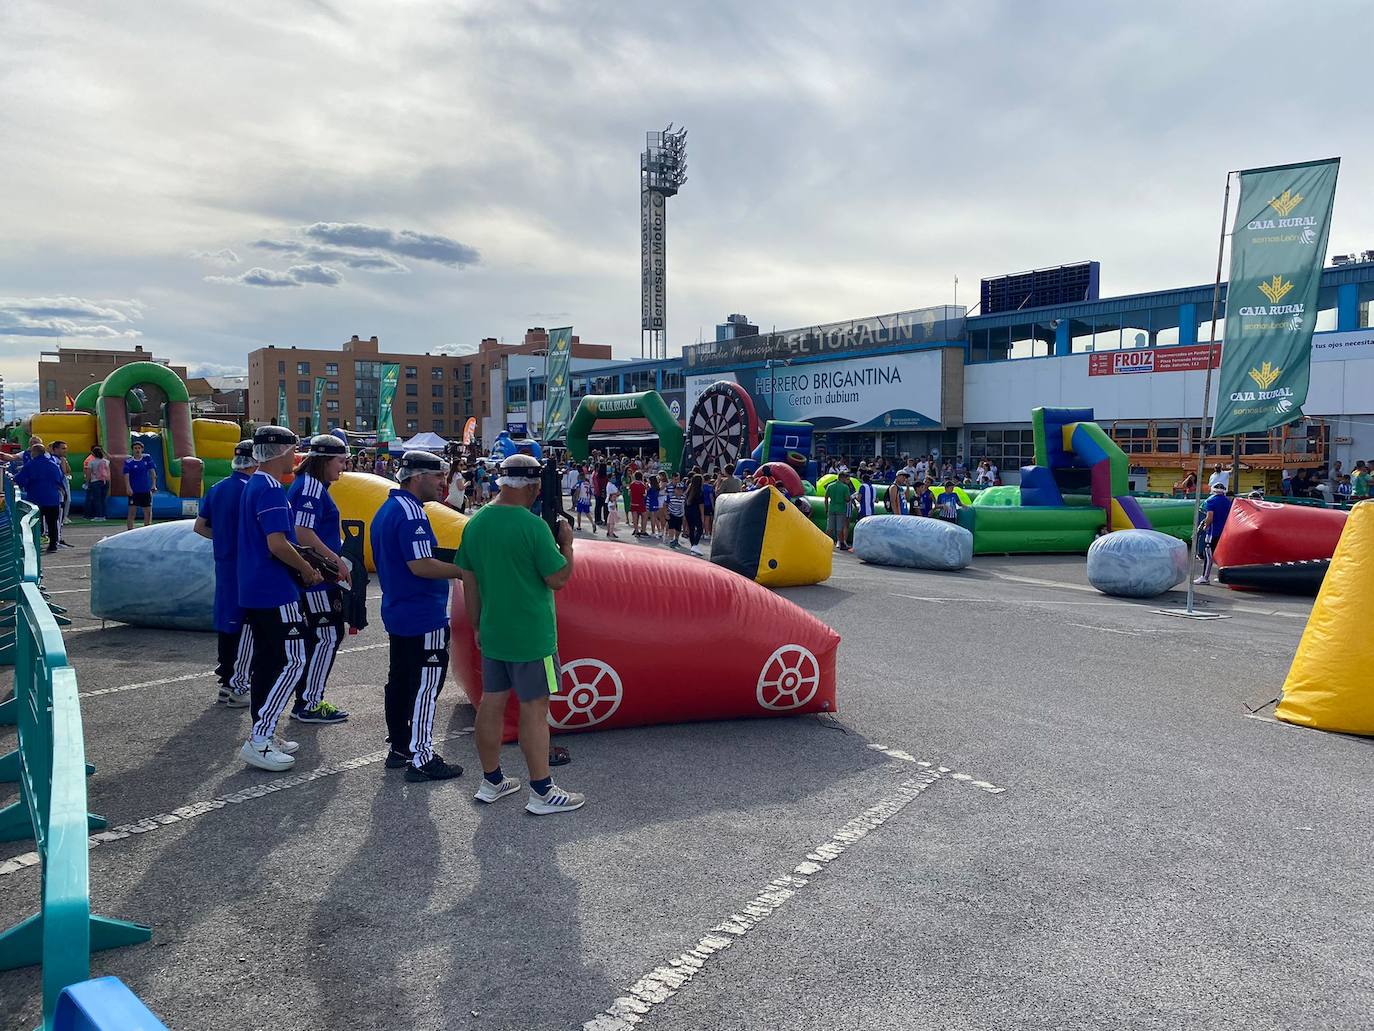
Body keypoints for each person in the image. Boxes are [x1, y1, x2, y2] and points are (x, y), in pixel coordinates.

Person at [457, 453, 584, 815]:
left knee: (491, 703)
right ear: (531, 486)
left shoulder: (476, 522)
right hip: (532, 635)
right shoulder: (532, 527)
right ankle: (542, 790)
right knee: (534, 709)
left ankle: (491, 780)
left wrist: (478, 624)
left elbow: (469, 578)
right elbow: (557, 578)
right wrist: (567, 545)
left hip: (495, 631)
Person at [371, 450, 466, 781]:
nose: (443, 482)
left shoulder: (388, 508)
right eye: (438, 476)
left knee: (400, 681)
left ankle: (399, 748)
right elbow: (421, 565)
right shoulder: (411, 514)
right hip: (423, 614)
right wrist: (464, 571)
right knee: (427, 685)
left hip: (399, 610)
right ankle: (422, 756)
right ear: (417, 477)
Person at [235, 426, 324, 772]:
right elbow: (276, 543)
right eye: (293, 449)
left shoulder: (255, 483)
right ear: (282, 452)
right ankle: (260, 737)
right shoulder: (271, 488)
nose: (296, 456)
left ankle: (265, 730)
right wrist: (307, 568)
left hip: (257, 586)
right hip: (275, 588)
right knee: (293, 660)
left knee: (268, 662)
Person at [287, 435, 352, 725]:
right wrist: (335, 561)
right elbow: (303, 532)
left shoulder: (312, 485)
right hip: (318, 578)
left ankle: (308, 698)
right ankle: (309, 701)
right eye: (340, 461)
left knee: (321, 635)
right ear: (325, 460)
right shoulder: (312, 487)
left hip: (316, 574)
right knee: (326, 635)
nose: (344, 466)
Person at [194, 439, 257, 707]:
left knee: (227, 622)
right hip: (247, 566)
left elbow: (200, 527)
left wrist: (223, 540)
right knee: (248, 625)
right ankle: (236, 683)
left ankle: (225, 682)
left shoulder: (218, 488)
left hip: (224, 563)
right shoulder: (254, 490)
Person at [14, 442, 65, 552]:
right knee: (52, 523)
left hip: (35, 498)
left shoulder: (30, 465)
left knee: (33, 523)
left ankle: (33, 545)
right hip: (52, 498)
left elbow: (20, 480)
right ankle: (53, 545)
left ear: (35, 453)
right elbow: (60, 479)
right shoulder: (53, 464)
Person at [1195, 481, 1234, 585]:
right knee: (1221, 555)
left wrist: (1204, 526)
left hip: (1212, 532)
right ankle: (1222, 576)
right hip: (1224, 532)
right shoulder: (1227, 501)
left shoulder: (1211, 501)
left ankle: (1205, 577)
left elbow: (1210, 517)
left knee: (1209, 555)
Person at [123, 440, 157, 530]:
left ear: (142, 449)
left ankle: (147, 529)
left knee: (148, 512)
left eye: (139, 448)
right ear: (132, 450)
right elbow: (126, 475)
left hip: (145, 490)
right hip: (134, 490)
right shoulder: (128, 462)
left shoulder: (147, 458)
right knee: (132, 512)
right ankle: (129, 530)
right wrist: (128, 487)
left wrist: (154, 484)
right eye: (135, 448)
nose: (137, 450)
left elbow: (152, 472)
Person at [50, 440, 74, 547]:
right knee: (56, 517)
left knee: (61, 515)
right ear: (55, 449)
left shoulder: (61, 459)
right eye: (63, 448)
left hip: (63, 489)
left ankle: (58, 538)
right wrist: (63, 462)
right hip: (58, 492)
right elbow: (63, 472)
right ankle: (56, 540)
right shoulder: (54, 460)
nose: (65, 450)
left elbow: (68, 471)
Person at [825, 472, 854, 551]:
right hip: (841, 509)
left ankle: (824, 542)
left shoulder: (830, 486)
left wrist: (826, 508)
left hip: (831, 508)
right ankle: (842, 544)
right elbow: (847, 499)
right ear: (842, 478)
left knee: (830, 528)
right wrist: (851, 497)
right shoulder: (845, 487)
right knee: (839, 528)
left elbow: (826, 497)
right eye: (845, 478)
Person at [83, 445, 110, 521]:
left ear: (93, 454)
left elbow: (88, 474)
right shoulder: (106, 462)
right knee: (103, 499)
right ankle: (103, 515)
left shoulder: (91, 462)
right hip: (105, 481)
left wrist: (87, 483)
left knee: (97, 499)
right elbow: (108, 472)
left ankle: (99, 515)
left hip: (95, 481)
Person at [684, 472, 706, 555]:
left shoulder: (689, 490)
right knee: (700, 529)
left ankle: (693, 545)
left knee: (691, 529)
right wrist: (702, 516)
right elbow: (701, 505)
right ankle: (695, 545)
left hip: (688, 511)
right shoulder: (700, 491)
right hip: (696, 512)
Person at [664, 471, 686, 548]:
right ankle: (670, 540)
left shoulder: (683, 496)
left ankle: (676, 540)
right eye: (676, 479)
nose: (679, 490)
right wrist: (666, 513)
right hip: (671, 510)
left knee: (678, 528)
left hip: (679, 513)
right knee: (671, 526)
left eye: (678, 479)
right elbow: (665, 503)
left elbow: (683, 505)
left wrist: (683, 515)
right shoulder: (668, 487)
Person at [629, 471, 647, 537]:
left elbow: (629, 493)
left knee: (634, 517)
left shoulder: (632, 484)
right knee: (644, 516)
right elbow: (644, 494)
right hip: (640, 502)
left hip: (633, 502)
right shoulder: (642, 485)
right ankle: (643, 530)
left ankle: (636, 531)